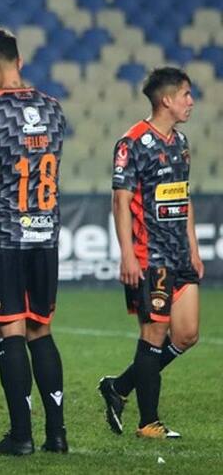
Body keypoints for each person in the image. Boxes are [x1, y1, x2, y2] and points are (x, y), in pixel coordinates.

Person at [0, 28, 68, 455]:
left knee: (10, 331)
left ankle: (21, 436)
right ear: (19, 61)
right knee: (41, 329)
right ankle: (57, 435)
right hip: (45, 234)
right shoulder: (54, 108)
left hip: (4, 236)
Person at [99, 67, 201, 439]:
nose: (191, 101)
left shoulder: (180, 142)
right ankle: (149, 422)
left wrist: (193, 247)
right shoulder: (132, 143)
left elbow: (183, 195)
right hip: (150, 255)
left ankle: (119, 386)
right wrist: (127, 254)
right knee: (154, 333)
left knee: (186, 334)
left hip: (180, 254)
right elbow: (121, 201)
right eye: (186, 94)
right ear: (167, 100)